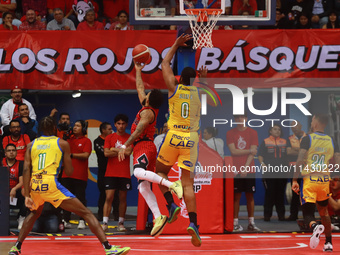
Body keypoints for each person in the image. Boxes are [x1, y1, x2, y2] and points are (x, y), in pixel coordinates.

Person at [8, 116, 130, 255]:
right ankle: (108, 248)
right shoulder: (62, 143)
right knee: (86, 213)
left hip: (35, 183)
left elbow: (26, 169)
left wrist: (27, 195)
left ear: (40, 129)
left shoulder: (31, 144)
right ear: (55, 128)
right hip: (50, 182)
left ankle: (16, 247)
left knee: (34, 213)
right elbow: (70, 170)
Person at [118, 61, 182, 237]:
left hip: (144, 145)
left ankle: (172, 185)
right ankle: (159, 216)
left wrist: (125, 145)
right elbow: (139, 87)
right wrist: (138, 70)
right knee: (143, 188)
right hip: (144, 146)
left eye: (147, 94)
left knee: (138, 173)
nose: (144, 93)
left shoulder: (147, 113)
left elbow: (138, 131)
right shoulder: (146, 106)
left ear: (148, 100)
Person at [156, 34, 203, 247]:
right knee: (188, 184)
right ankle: (193, 223)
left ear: (180, 79)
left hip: (173, 135)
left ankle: (171, 205)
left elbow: (165, 63)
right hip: (191, 139)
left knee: (160, 172)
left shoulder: (174, 89)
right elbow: (198, 80)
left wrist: (175, 43)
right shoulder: (200, 93)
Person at [292, 113, 340, 252]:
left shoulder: (308, 139)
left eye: (312, 119)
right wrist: (336, 178)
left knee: (307, 214)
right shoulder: (332, 140)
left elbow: (300, 160)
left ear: (316, 122)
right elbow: (337, 161)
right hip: (324, 180)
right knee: (324, 211)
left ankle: (314, 227)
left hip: (310, 180)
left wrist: (295, 179)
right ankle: (329, 243)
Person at [226, 113, 259, 231]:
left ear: (246, 118)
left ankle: (251, 223)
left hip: (249, 169)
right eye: (237, 117)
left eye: (242, 117)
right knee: (236, 196)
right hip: (235, 170)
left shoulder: (253, 133)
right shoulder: (230, 133)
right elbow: (233, 151)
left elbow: (253, 153)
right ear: (235, 119)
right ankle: (235, 223)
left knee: (250, 196)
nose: (240, 119)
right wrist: (249, 149)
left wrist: (245, 167)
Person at [103, 114, 131, 232]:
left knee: (122, 198)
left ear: (126, 124)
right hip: (111, 172)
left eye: (123, 123)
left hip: (124, 173)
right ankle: (105, 223)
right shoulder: (109, 137)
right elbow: (106, 153)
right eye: (118, 124)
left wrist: (113, 149)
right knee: (109, 197)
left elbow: (128, 152)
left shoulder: (130, 137)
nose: (121, 126)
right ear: (115, 124)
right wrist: (121, 151)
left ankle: (121, 223)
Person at [60, 120, 91, 229]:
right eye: (74, 125)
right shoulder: (68, 139)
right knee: (66, 198)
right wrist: (65, 137)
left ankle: (82, 220)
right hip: (66, 174)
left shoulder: (87, 141)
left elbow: (86, 155)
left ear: (83, 129)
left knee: (80, 198)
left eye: (78, 126)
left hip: (80, 175)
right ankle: (65, 220)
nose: (75, 127)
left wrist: (71, 155)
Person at [259, 123, 288, 222]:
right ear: (270, 131)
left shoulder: (285, 141)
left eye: (279, 129)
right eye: (275, 129)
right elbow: (260, 155)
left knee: (280, 194)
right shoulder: (265, 141)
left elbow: (288, 154)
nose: (277, 131)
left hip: (282, 172)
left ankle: (281, 216)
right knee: (269, 194)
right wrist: (262, 164)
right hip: (269, 172)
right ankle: (267, 216)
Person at [286, 121, 307, 221]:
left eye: (296, 126)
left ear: (300, 126)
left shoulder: (308, 137)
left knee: (307, 192)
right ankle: (293, 215)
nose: (294, 128)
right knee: (295, 192)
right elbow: (289, 152)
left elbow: (309, 151)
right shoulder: (289, 138)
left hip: (306, 168)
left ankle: (307, 215)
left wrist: (297, 150)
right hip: (293, 168)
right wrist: (302, 150)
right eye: (292, 126)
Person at [3, 143, 26, 230]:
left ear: (16, 152)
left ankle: (21, 217)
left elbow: (22, 182)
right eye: (9, 151)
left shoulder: (20, 164)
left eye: (13, 150)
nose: (11, 152)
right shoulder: (1, 163)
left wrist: (14, 189)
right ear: (5, 153)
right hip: (3, 190)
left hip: (16, 190)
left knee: (26, 194)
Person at [93, 121, 113, 221]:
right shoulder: (97, 141)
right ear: (103, 130)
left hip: (113, 170)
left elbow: (114, 151)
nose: (111, 130)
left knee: (115, 194)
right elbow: (104, 153)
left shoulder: (113, 139)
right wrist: (111, 151)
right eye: (109, 129)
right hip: (103, 171)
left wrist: (111, 151)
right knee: (103, 194)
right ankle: (101, 215)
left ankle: (117, 215)